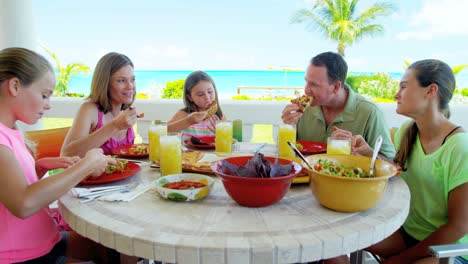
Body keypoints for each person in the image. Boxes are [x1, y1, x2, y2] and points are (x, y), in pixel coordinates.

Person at [327, 59, 468, 264]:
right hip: (406, 233)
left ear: (430, 91)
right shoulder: (407, 132)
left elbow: (459, 227)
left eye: (403, 87)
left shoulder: (459, 147)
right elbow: (399, 171)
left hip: (446, 249)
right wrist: (368, 153)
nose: (396, 94)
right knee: (334, 241)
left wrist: (401, 259)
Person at [0, 47, 116, 263]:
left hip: (41, 239)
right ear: (15, 86)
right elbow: (23, 203)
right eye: (44, 95)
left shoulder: (10, 131)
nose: (48, 104)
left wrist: (38, 168)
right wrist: (86, 165)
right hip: (20, 255)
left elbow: (8, 189)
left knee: (111, 247)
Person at [281, 51, 395, 158]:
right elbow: (287, 151)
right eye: (306, 81)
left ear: (336, 87)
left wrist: (368, 154)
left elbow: (391, 164)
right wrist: (289, 127)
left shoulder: (370, 112)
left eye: (314, 84)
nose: (306, 90)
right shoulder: (303, 110)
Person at [61, 52, 138, 157]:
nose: (130, 86)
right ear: (105, 83)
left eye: (132, 79)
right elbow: (67, 155)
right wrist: (115, 125)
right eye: (121, 80)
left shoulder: (124, 112)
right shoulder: (89, 109)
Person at [167, 70, 224, 139]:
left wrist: (221, 135)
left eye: (210, 91)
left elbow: (230, 141)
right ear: (190, 97)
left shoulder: (219, 116)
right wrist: (187, 121)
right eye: (200, 94)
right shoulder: (184, 114)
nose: (207, 97)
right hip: (188, 150)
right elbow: (164, 130)